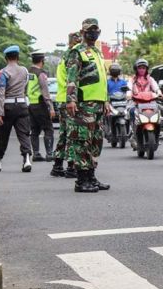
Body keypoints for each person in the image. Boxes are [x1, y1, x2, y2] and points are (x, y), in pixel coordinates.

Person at [65, 18, 110, 193]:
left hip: (98, 104)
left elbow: (102, 80)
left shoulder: (98, 52)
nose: (93, 33)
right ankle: (81, 180)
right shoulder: (77, 52)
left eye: (95, 30)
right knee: (82, 140)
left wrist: (106, 100)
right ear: (82, 32)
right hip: (84, 104)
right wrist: (71, 100)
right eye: (89, 30)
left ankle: (91, 176)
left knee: (95, 141)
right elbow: (72, 77)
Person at [0, 45, 33, 173]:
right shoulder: (24, 71)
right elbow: (25, 86)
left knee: (2, 135)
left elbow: (1, 93)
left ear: (5, 58)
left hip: (8, 106)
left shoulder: (3, 72)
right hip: (22, 105)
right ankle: (27, 159)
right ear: (17, 57)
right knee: (24, 134)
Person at [51, 32, 82, 178]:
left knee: (64, 133)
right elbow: (72, 79)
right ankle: (71, 166)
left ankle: (57, 165)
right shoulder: (72, 55)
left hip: (62, 98)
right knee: (72, 133)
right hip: (69, 99)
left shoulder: (64, 55)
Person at [27, 50, 56, 162]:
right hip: (40, 104)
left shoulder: (28, 72)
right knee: (48, 129)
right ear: (42, 61)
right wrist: (51, 107)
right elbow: (45, 91)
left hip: (31, 104)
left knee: (34, 130)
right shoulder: (41, 73)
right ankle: (49, 154)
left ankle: (36, 154)